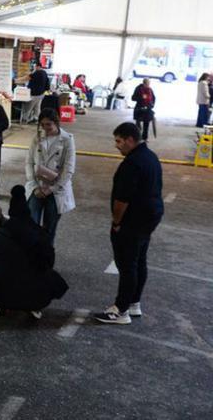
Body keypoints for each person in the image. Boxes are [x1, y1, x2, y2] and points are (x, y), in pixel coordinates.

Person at [95, 123, 164, 324]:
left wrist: (116, 223)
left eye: (119, 141)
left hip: (133, 220)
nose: (116, 146)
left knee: (127, 264)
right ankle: (134, 303)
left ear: (130, 140)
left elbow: (122, 199)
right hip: (150, 217)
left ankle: (121, 310)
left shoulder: (131, 164)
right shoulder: (150, 157)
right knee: (139, 260)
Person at [0, 185, 69, 320]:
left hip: (4, 293)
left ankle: (1, 305)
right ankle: (34, 307)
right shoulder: (39, 233)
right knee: (52, 278)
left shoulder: (1, 235)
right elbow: (49, 261)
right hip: (33, 295)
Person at [25, 108, 76, 243]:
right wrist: (35, 186)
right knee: (31, 225)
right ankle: (31, 257)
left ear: (56, 123)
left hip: (56, 190)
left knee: (49, 229)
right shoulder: (37, 138)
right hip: (36, 187)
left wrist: (51, 190)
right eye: (42, 125)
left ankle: (46, 258)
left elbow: (68, 170)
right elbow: (29, 162)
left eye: (48, 124)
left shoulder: (67, 140)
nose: (45, 128)